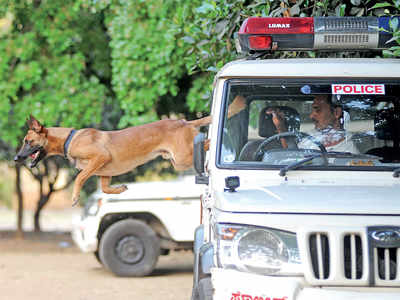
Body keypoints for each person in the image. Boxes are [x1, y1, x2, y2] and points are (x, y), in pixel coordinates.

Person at [267, 95, 358, 153]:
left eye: (317, 109)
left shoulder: (350, 152)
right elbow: (292, 155)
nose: (311, 116)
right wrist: (281, 127)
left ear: (336, 113)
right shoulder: (310, 137)